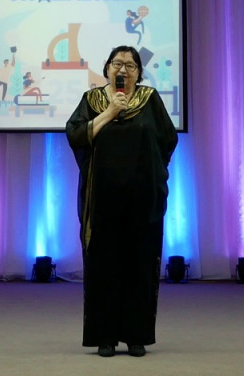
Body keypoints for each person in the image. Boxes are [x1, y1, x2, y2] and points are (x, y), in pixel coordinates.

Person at [65, 45, 178, 358]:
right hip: (102, 201)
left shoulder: (149, 99)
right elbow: (75, 135)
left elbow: (168, 140)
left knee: (139, 266)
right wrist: (110, 113)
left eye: (130, 65)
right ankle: (105, 338)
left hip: (142, 201)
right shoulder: (92, 100)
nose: (123, 70)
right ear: (107, 70)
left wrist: (152, 173)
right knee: (104, 267)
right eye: (117, 63)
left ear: (139, 73)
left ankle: (136, 336)